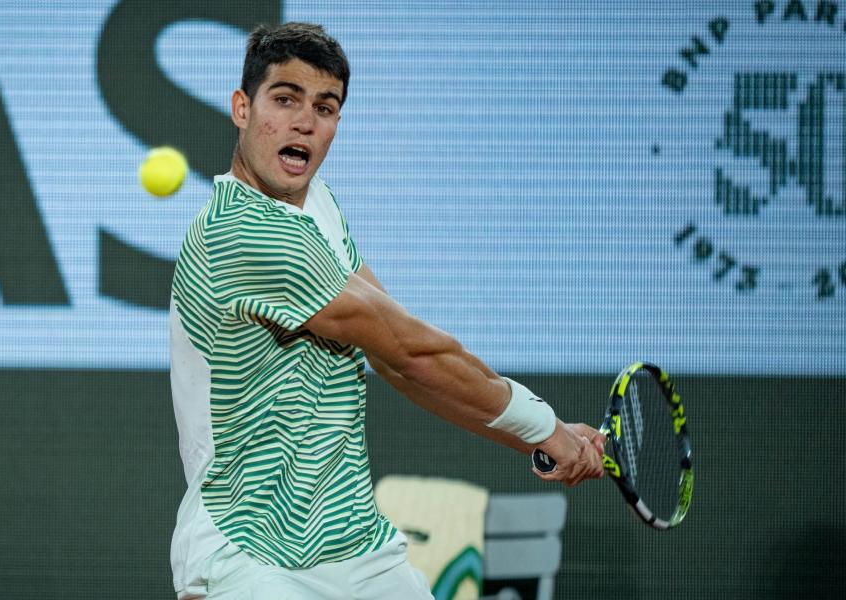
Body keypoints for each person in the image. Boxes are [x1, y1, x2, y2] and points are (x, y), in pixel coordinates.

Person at [168, 22, 605, 600]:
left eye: (324, 108)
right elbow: (413, 350)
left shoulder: (318, 206)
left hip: (360, 551)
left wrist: (543, 438)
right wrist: (546, 431)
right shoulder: (242, 232)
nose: (304, 121)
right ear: (241, 108)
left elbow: (397, 362)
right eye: (285, 99)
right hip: (250, 557)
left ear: (336, 125)